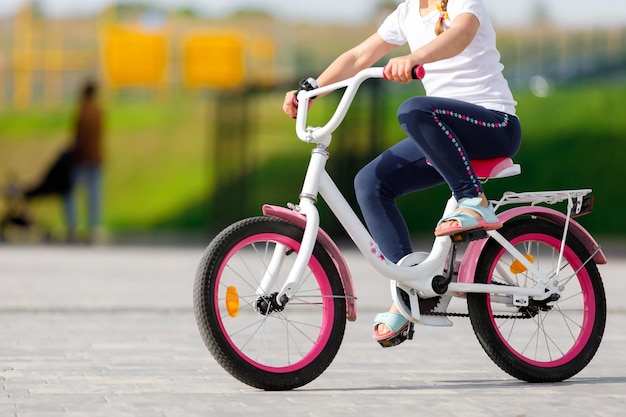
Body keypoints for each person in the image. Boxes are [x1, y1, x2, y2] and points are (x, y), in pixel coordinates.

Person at [282, 0, 522, 347]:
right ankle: (411, 291)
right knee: (370, 182)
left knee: (414, 110)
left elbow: (461, 34)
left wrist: (415, 57)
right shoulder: (407, 13)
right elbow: (358, 57)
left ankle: (473, 200)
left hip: (494, 123)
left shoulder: (462, 3)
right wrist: (313, 89)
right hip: (444, 131)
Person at [63, 79, 105, 243]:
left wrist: (75, 155)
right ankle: (93, 228)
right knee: (94, 196)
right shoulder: (98, 112)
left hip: (82, 159)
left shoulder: (82, 111)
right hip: (96, 159)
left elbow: (79, 138)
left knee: (70, 193)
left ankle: (72, 227)